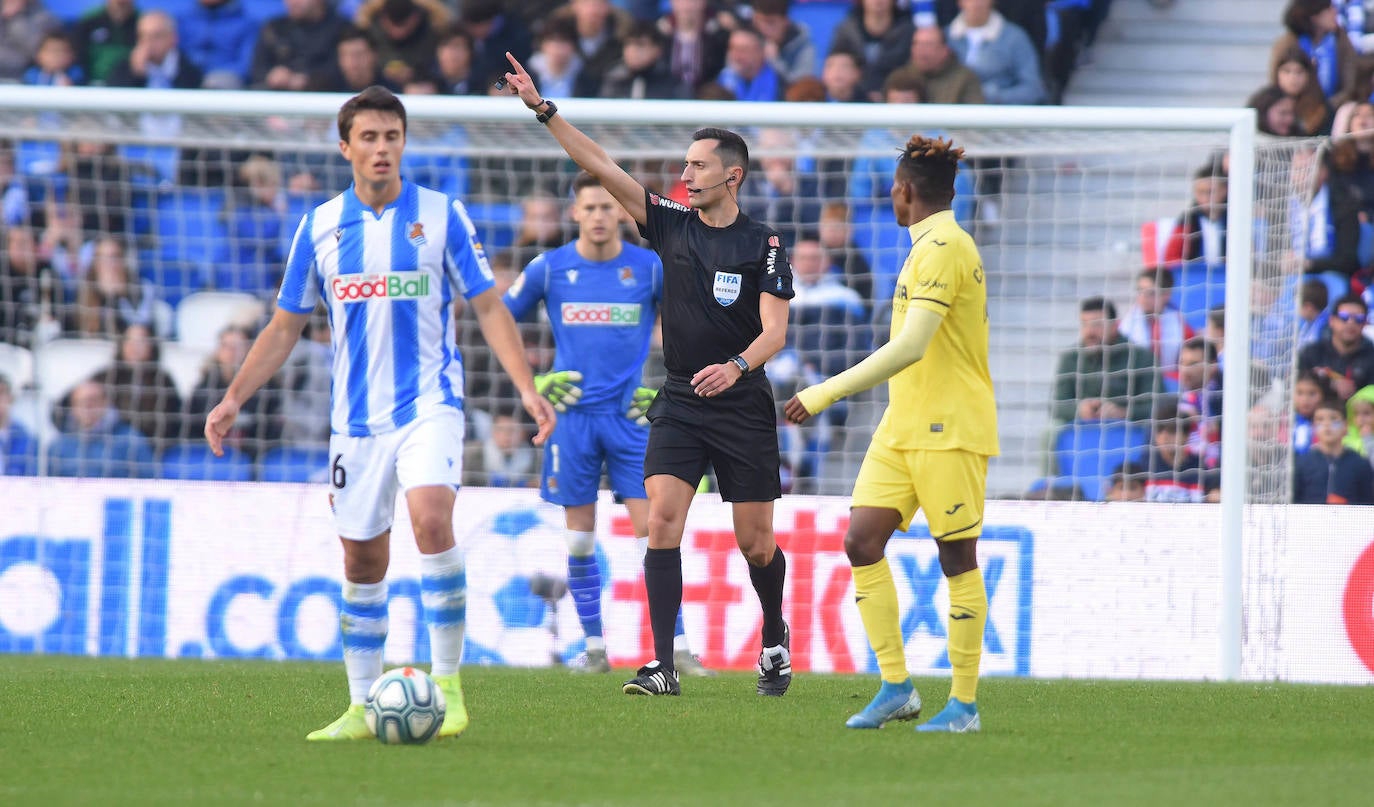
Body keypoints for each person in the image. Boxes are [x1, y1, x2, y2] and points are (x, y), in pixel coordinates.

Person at [202, 86, 556, 741]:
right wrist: (233, 398)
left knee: (431, 518)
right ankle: (362, 706)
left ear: (404, 142)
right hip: (355, 422)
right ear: (346, 147)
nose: (382, 147)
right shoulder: (319, 226)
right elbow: (284, 325)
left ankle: (448, 689)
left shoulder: (442, 215)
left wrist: (526, 388)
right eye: (368, 137)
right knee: (363, 564)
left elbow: (487, 305)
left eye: (392, 136)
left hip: (429, 404)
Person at [501, 53, 794, 698]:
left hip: (742, 399)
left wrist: (737, 366)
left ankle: (774, 635)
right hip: (682, 398)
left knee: (756, 543)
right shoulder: (669, 224)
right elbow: (602, 166)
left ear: (733, 176)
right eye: (685, 165)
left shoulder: (764, 243)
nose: (685, 175)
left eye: (698, 166)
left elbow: (775, 332)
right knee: (661, 522)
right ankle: (663, 665)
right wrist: (544, 110)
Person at [784, 134, 996, 733]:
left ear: (903, 191)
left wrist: (824, 392)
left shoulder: (946, 247)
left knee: (956, 556)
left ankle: (964, 705)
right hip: (901, 424)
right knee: (861, 541)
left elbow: (911, 346)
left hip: (949, 427)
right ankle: (897, 687)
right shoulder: (925, 245)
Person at [503, 171, 711, 675]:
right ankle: (594, 649)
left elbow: (694, 326)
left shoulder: (650, 268)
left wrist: (668, 390)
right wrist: (534, 383)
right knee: (579, 538)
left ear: (621, 211)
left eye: (607, 207)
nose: (599, 216)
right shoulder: (549, 269)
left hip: (629, 421)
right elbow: (497, 320)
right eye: (589, 208)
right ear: (574, 213)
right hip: (571, 422)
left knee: (655, 532)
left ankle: (678, 648)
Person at [1052, 296, 1158, 425]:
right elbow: (1056, 405)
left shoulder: (1141, 357)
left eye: (1097, 324)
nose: (1089, 331)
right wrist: (1080, 409)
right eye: (1084, 324)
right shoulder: (1071, 357)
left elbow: (1157, 406)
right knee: (1051, 430)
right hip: (1082, 428)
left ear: (1115, 325)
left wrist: (1122, 413)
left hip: (1129, 429)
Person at [1293, 397, 1374, 503]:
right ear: (1313, 427)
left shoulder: (1360, 463)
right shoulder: (1302, 463)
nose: (1327, 424)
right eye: (1320, 420)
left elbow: (1367, 502)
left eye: (1333, 419)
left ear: (1346, 426)